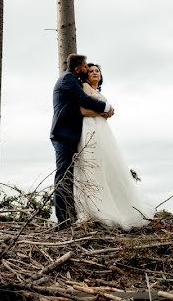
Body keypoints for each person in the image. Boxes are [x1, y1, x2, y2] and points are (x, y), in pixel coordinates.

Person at [74, 63, 154, 230]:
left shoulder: (98, 92)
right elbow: (83, 110)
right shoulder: (85, 86)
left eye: (97, 71)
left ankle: (116, 206)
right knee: (92, 165)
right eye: (91, 71)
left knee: (109, 167)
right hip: (90, 129)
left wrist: (105, 114)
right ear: (86, 75)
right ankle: (94, 210)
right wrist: (103, 112)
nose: (95, 73)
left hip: (103, 130)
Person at [50, 53, 112, 229]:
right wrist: (107, 108)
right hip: (63, 134)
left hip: (72, 134)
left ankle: (70, 216)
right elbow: (84, 101)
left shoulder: (73, 79)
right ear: (78, 68)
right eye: (86, 67)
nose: (88, 70)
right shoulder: (68, 79)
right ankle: (63, 220)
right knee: (63, 176)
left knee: (71, 175)